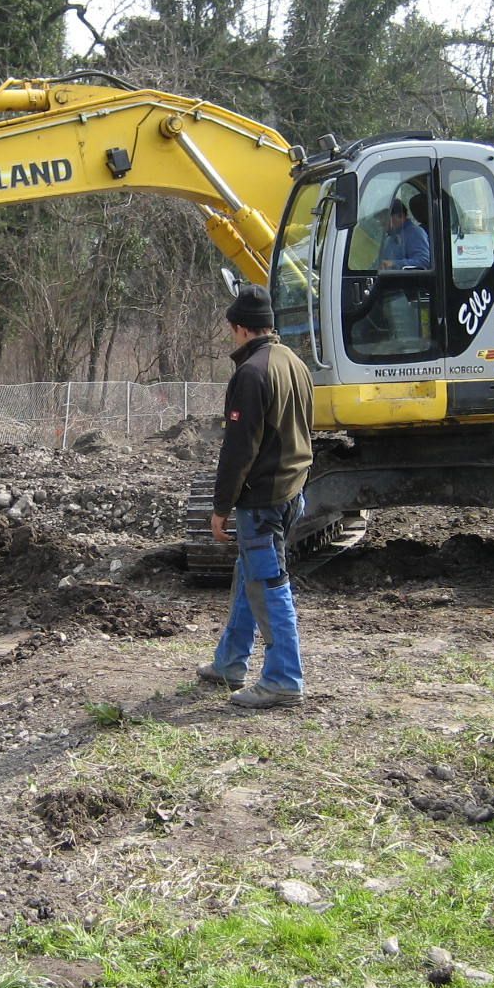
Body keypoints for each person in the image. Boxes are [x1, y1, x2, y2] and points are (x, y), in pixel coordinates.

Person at [197, 284, 315, 709]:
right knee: (251, 574)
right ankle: (230, 662)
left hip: (262, 499)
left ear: (241, 329)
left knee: (268, 582)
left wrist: (220, 507)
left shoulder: (251, 373)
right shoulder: (295, 364)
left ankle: (283, 677)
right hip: (292, 490)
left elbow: (238, 449)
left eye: (232, 330)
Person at [379, 197, 430, 271]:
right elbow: (380, 263)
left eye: (385, 219)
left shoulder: (414, 233)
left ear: (400, 216)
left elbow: (424, 261)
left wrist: (394, 264)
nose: (381, 224)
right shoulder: (390, 238)